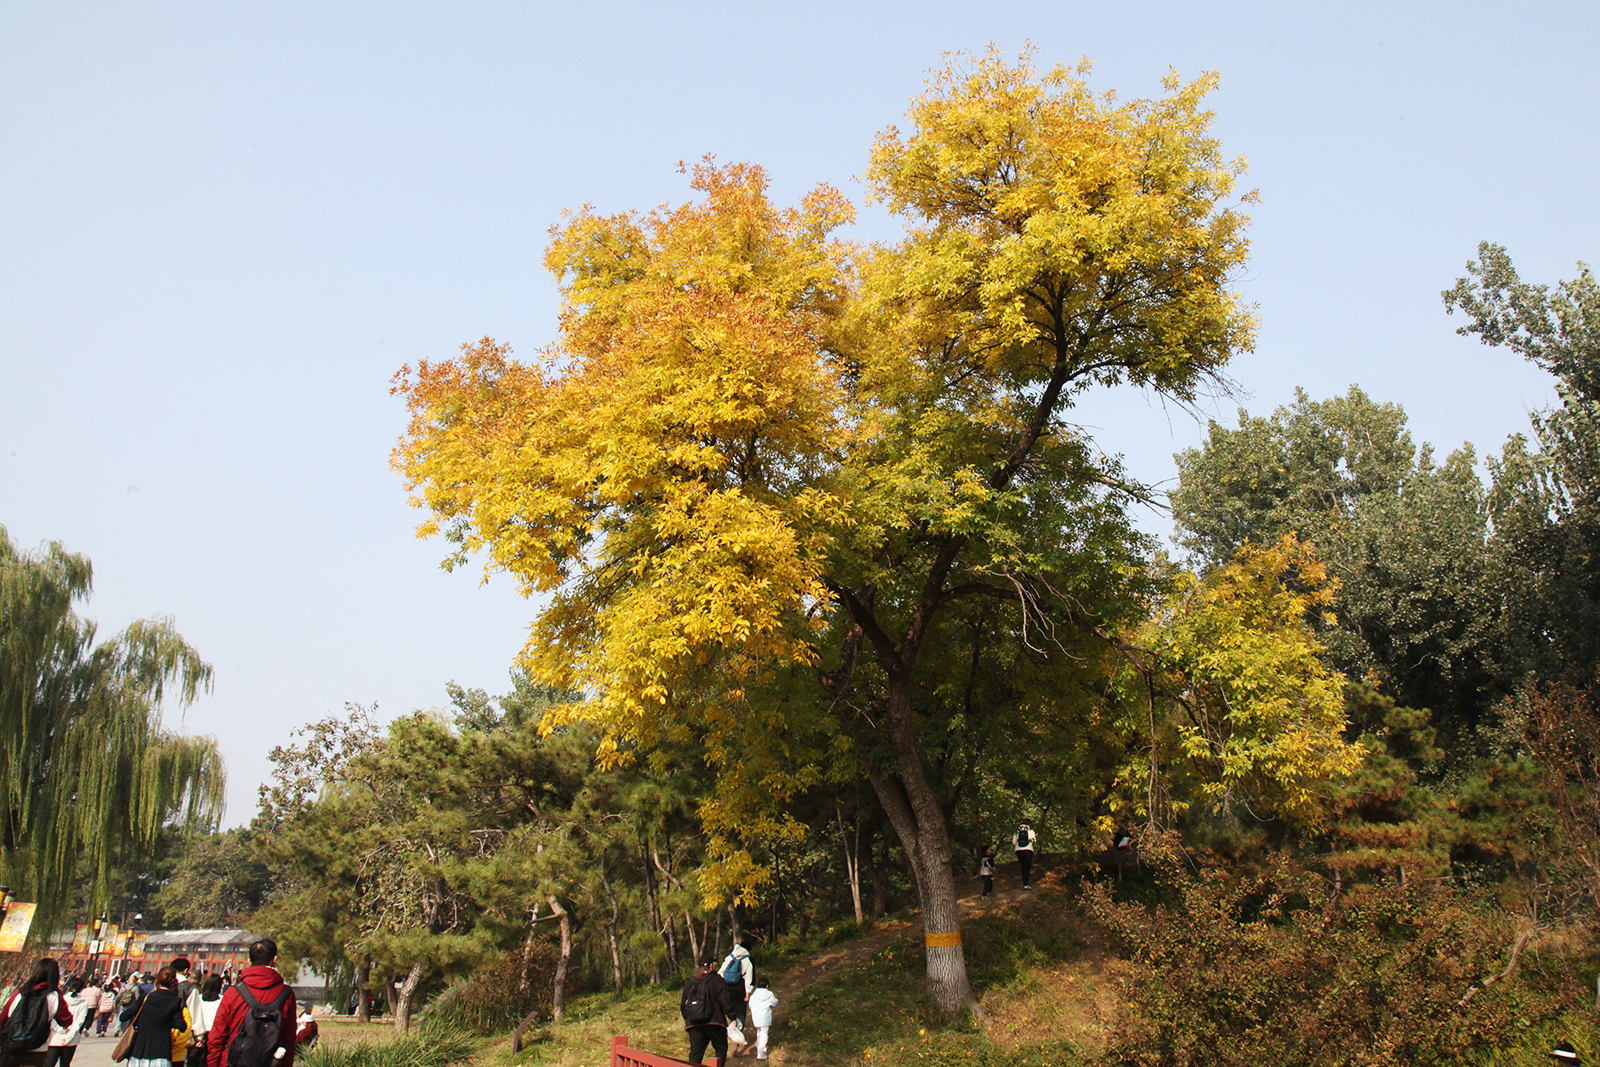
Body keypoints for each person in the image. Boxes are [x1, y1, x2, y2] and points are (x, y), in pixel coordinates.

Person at [205, 938, 296, 1067]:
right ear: (274, 960)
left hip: (233, 1061)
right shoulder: (287, 994)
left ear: (249, 961)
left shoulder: (234, 992)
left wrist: (214, 1063)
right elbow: (289, 1039)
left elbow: (217, 1036)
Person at [0, 958, 75, 1067]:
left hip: (12, 1046)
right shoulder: (54, 996)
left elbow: (3, 1019)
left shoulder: (19, 993)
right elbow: (66, 1021)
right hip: (38, 1048)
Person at [119, 967, 188, 1067]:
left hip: (139, 1051)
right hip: (161, 1052)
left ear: (157, 980)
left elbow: (123, 1017)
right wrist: (167, 1022)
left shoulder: (145, 998)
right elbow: (182, 1026)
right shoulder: (174, 1001)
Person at [680, 953, 734, 1066]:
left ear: (699, 967)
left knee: (695, 1054)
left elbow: (684, 1005)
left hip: (694, 1024)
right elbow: (726, 1001)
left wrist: (690, 1018)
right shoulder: (717, 980)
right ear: (710, 966)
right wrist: (733, 1017)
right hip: (715, 1022)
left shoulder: (690, 981)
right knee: (721, 1049)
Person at [43, 975, 91, 1067]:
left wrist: (57, 1030)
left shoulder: (59, 999)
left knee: (49, 1063)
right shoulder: (83, 1003)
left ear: (68, 987)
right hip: (72, 1039)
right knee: (65, 1064)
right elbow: (79, 1022)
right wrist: (69, 1037)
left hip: (55, 1037)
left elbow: (52, 1017)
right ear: (81, 989)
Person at [187, 976, 223, 1067]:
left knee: (194, 1060)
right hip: (214, 1033)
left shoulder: (198, 998)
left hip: (198, 1032)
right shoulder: (222, 999)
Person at [717, 939, 753, 1027]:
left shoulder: (729, 957)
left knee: (728, 1011)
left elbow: (720, 973)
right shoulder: (748, 959)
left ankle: (728, 1031)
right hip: (740, 990)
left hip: (726, 989)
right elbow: (749, 977)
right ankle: (738, 1033)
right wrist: (748, 993)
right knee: (740, 1012)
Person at [745, 978, 778, 1061]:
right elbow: (774, 1002)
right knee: (764, 1033)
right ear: (767, 986)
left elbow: (750, 1004)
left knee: (759, 1032)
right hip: (765, 1017)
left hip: (756, 1017)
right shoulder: (769, 994)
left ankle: (758, 1047)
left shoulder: (754, 995)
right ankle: (761, 1052)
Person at [1013, 823, 1036, 890]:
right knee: (1027, 867)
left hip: (1019, 850)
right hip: (1028, 850)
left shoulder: (1017, 832)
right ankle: (1026, 884)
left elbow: (1014, 842)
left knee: (1022, 866)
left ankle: (1024, 882)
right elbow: (1034, 840)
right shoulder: (1031, 831)